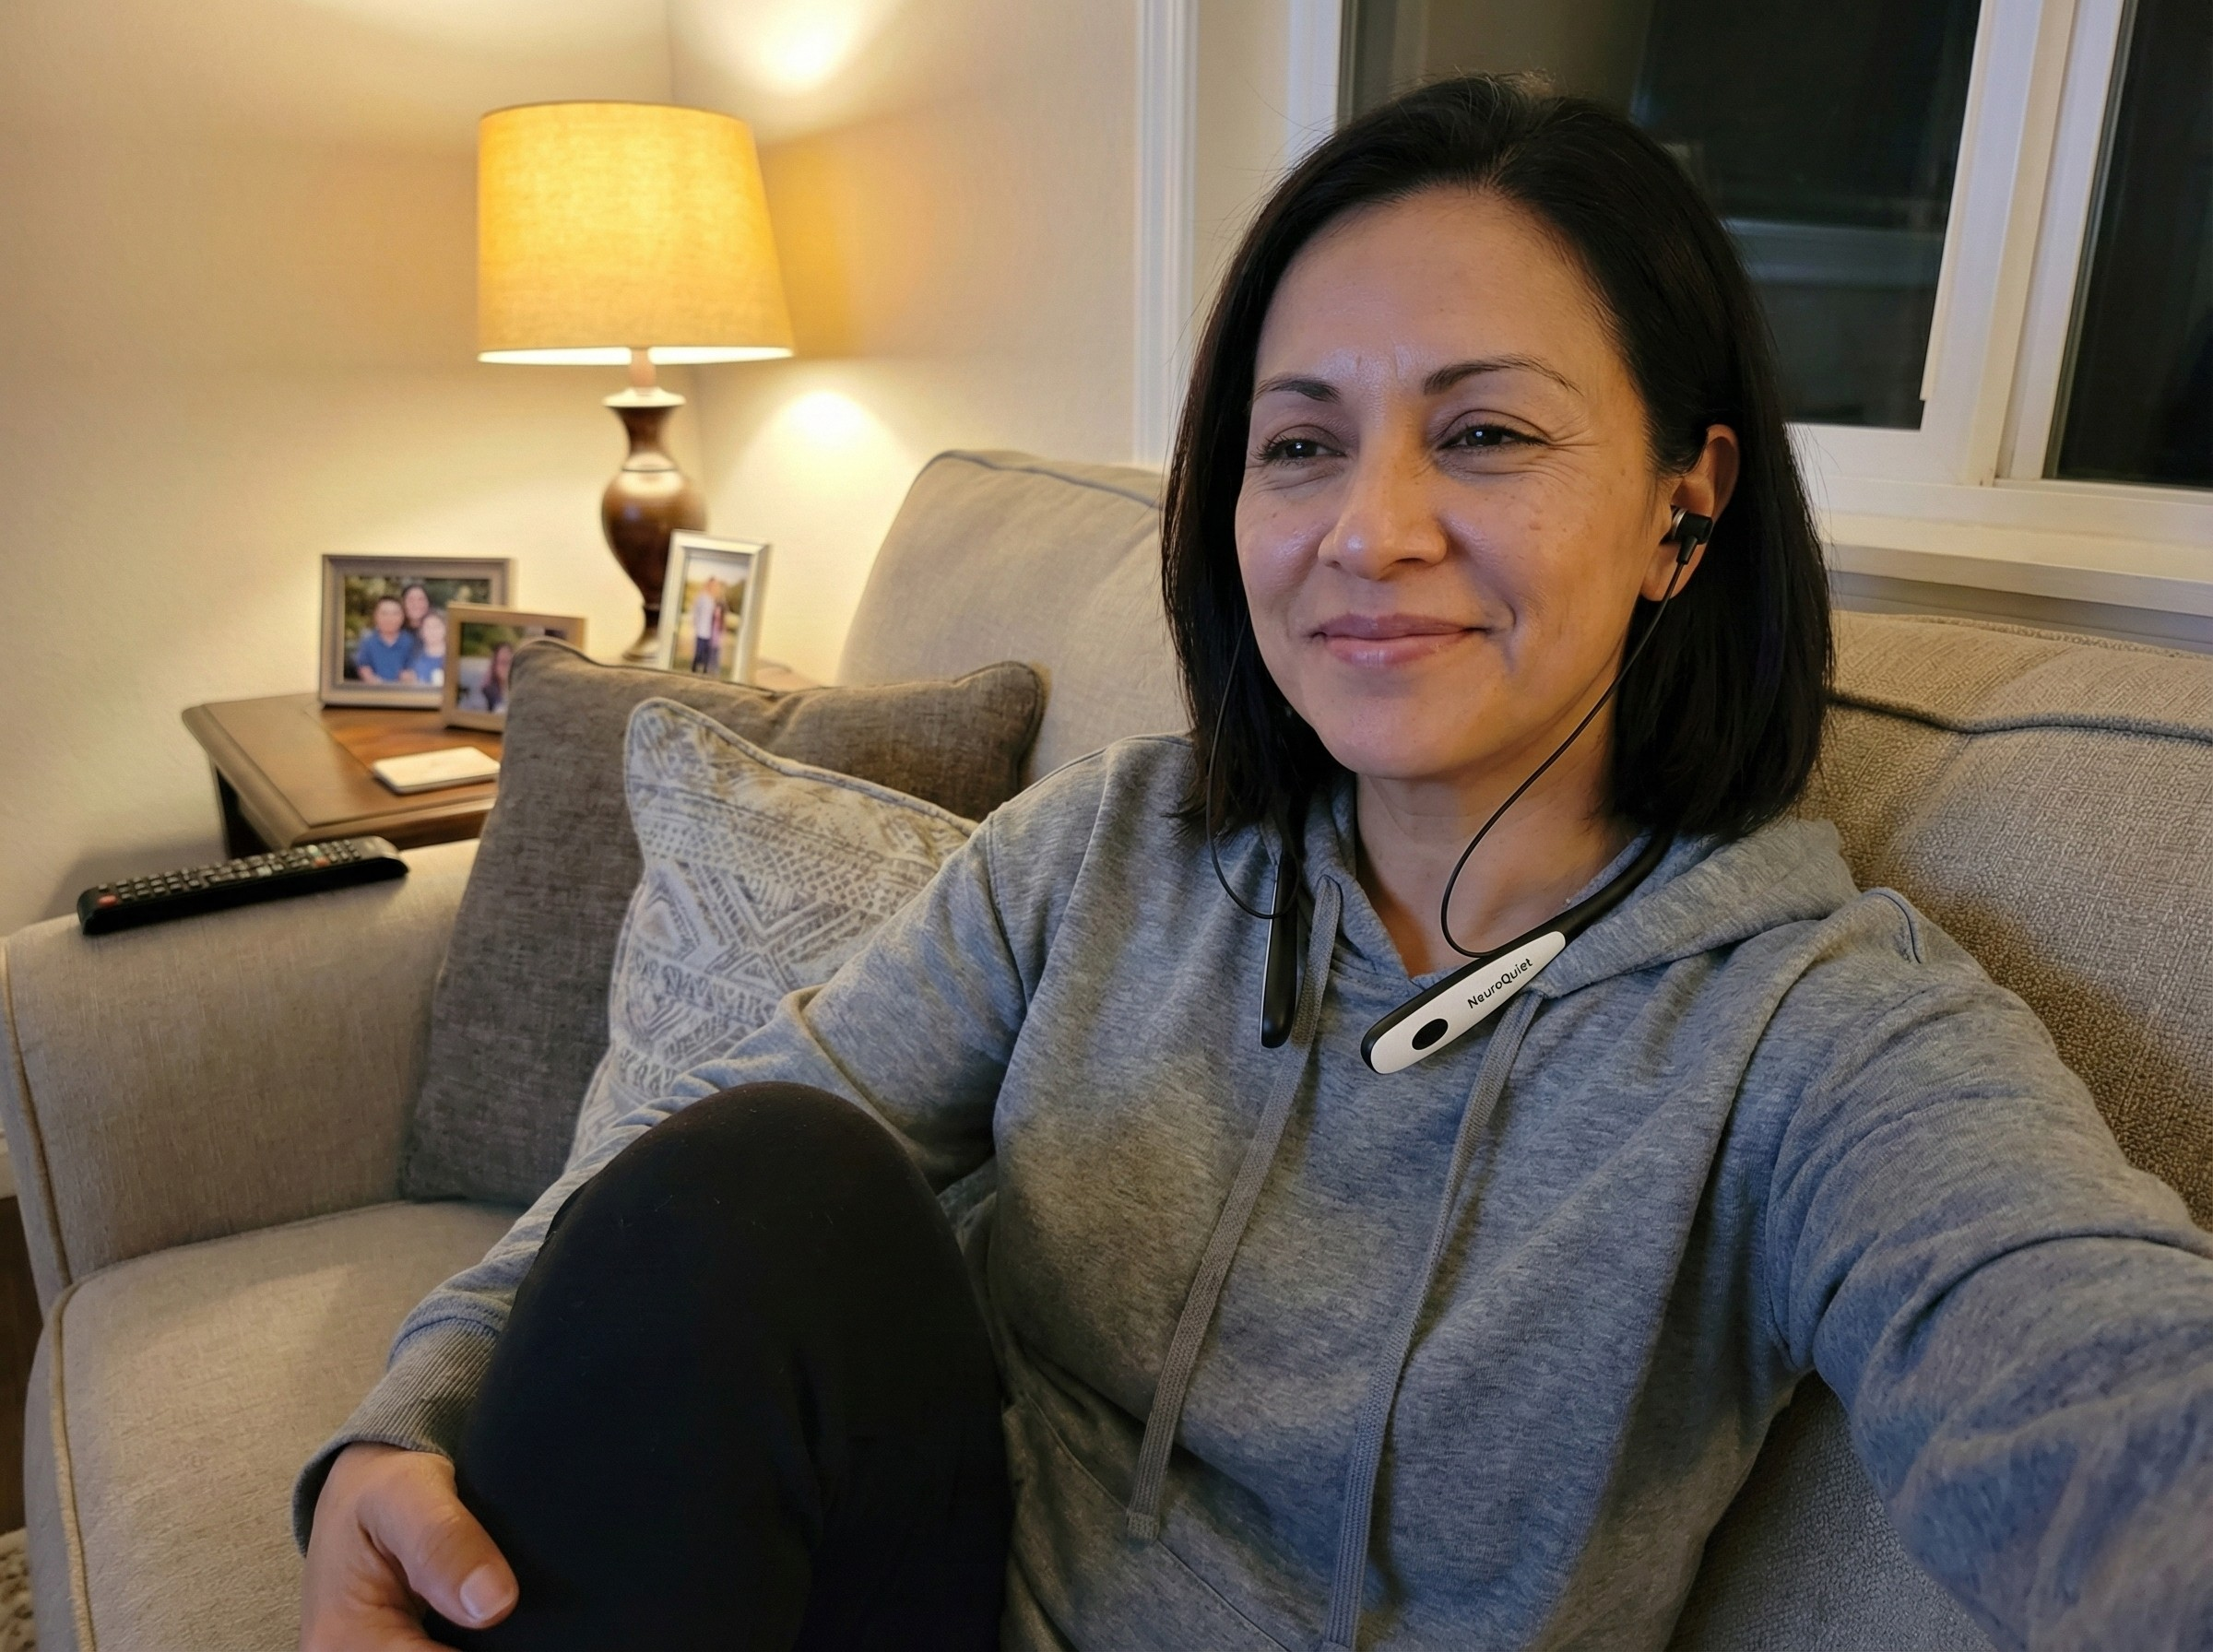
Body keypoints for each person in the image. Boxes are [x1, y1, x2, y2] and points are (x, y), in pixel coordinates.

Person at [298, 77, 2213, 1652]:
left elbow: (2091, 1383)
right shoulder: (1112, 848)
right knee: (757, 1174)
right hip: (912, 1590)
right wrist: (401, 1425)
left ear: (1682, 506)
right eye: (1301, 446)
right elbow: (718, 1149)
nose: (1369, 529)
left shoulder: (1818, 1033)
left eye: (1485, 431)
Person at [350, 595, 417, 684]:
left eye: (395, 613)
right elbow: (364, 668)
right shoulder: (368, 641)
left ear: (402, 617)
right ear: (376, 616)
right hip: (375, 690)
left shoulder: (410, 641)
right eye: (384, 613)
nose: (390, 618)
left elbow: (412, 670)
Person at [457, 641, 513, 714]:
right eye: (503, 662)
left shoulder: (516, 691)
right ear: (495, 665)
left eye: (510, 662)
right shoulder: (485, 693)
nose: (507, 667)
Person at [402, 610, 447, 688]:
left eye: (436, 626)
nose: (432, 631)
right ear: (421, 631)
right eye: (428, 627)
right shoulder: (413, 656)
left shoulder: (454, 657)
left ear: (446, 629)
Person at [690, 576, 724, 674]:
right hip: (701, 629)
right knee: (699, 651)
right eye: (712, 585)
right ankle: (694, 669)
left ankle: (705, 671)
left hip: (710, 631)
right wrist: (695, 622)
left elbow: (717, 614)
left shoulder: (714, 599)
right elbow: (695, 611)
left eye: (715, 585)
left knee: (707, 653)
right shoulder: (702, 597)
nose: (713, 587)